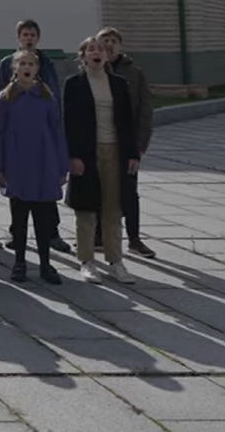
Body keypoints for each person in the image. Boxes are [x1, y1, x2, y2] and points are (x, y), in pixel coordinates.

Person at [63, 37, 140, 285]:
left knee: (113, 208)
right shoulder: (74, 84)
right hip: (87, 152)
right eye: (91, 49)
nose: (96, 53)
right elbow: (69, 122)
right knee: (86, 209)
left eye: (101, 50)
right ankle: (87, 261)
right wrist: (73, 156)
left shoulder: (118, 84)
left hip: (115, 151)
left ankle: (116, 260)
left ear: (107, 56)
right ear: (83, 56)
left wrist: (132, 154)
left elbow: (128, 122)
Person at [0, 49, 68, 284]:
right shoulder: (6, 97)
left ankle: (46, 264)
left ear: (36, 69)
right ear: (15, 68)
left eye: (31, 64)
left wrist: (61, 167)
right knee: (20, 218)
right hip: (17, 165)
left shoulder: (46, 96)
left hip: (43, 164)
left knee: (43, 219)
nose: (26, 67)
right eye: (22, 63)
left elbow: (57, 132)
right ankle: (20, 263)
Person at [98, 26, 157, 259]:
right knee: (98, 189)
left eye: (113, 41)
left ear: (120, 46)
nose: (109, 45)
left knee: (129, 192)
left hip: (127, 144)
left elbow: (145, 111)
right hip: (100, 141)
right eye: (105, 41)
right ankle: (98, 235)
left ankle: (134, 238)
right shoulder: (93, 71)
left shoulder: (134, 73)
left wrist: (140, 144)